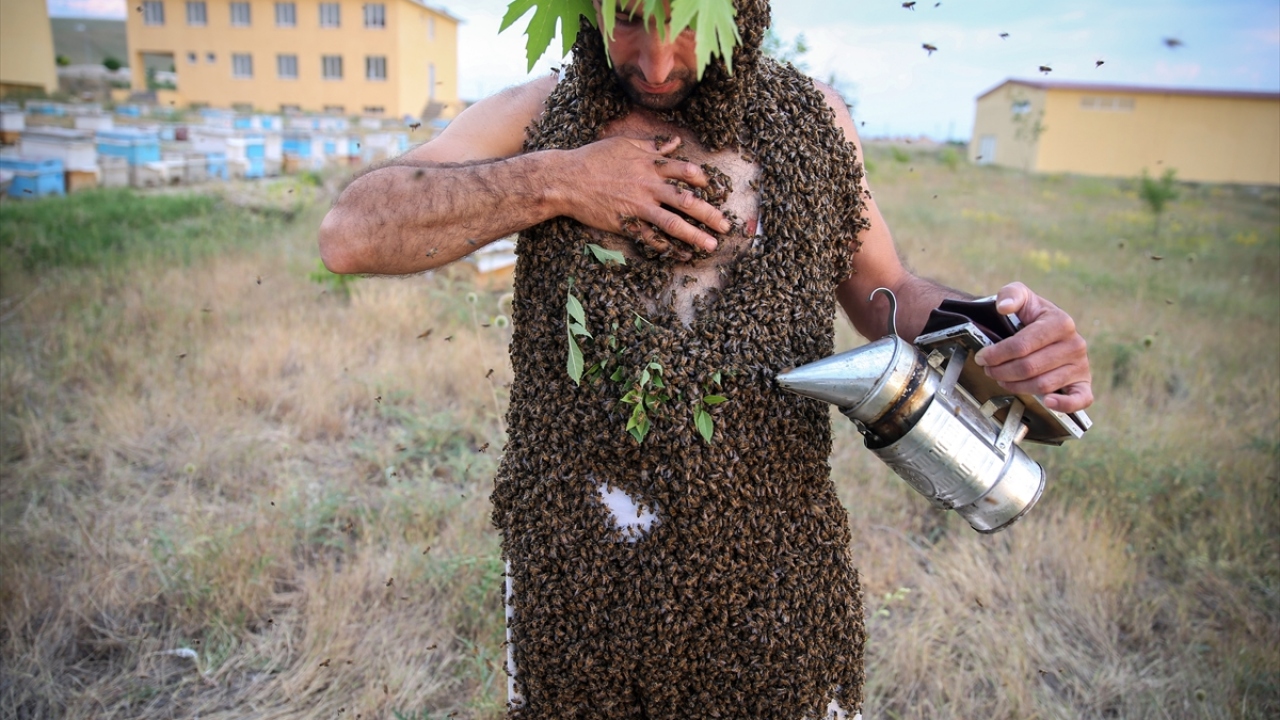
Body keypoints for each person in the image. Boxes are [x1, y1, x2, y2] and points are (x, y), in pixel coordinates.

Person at [319, 1, 1092, 717]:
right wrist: (558, 178)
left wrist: (1001, 336)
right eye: (628, 18)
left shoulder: (811, 120)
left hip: (771, 556)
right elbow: (351, 235)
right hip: (578, 556)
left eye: (685, 21)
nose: (655, 63)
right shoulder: (539, 114)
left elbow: (886, 291)